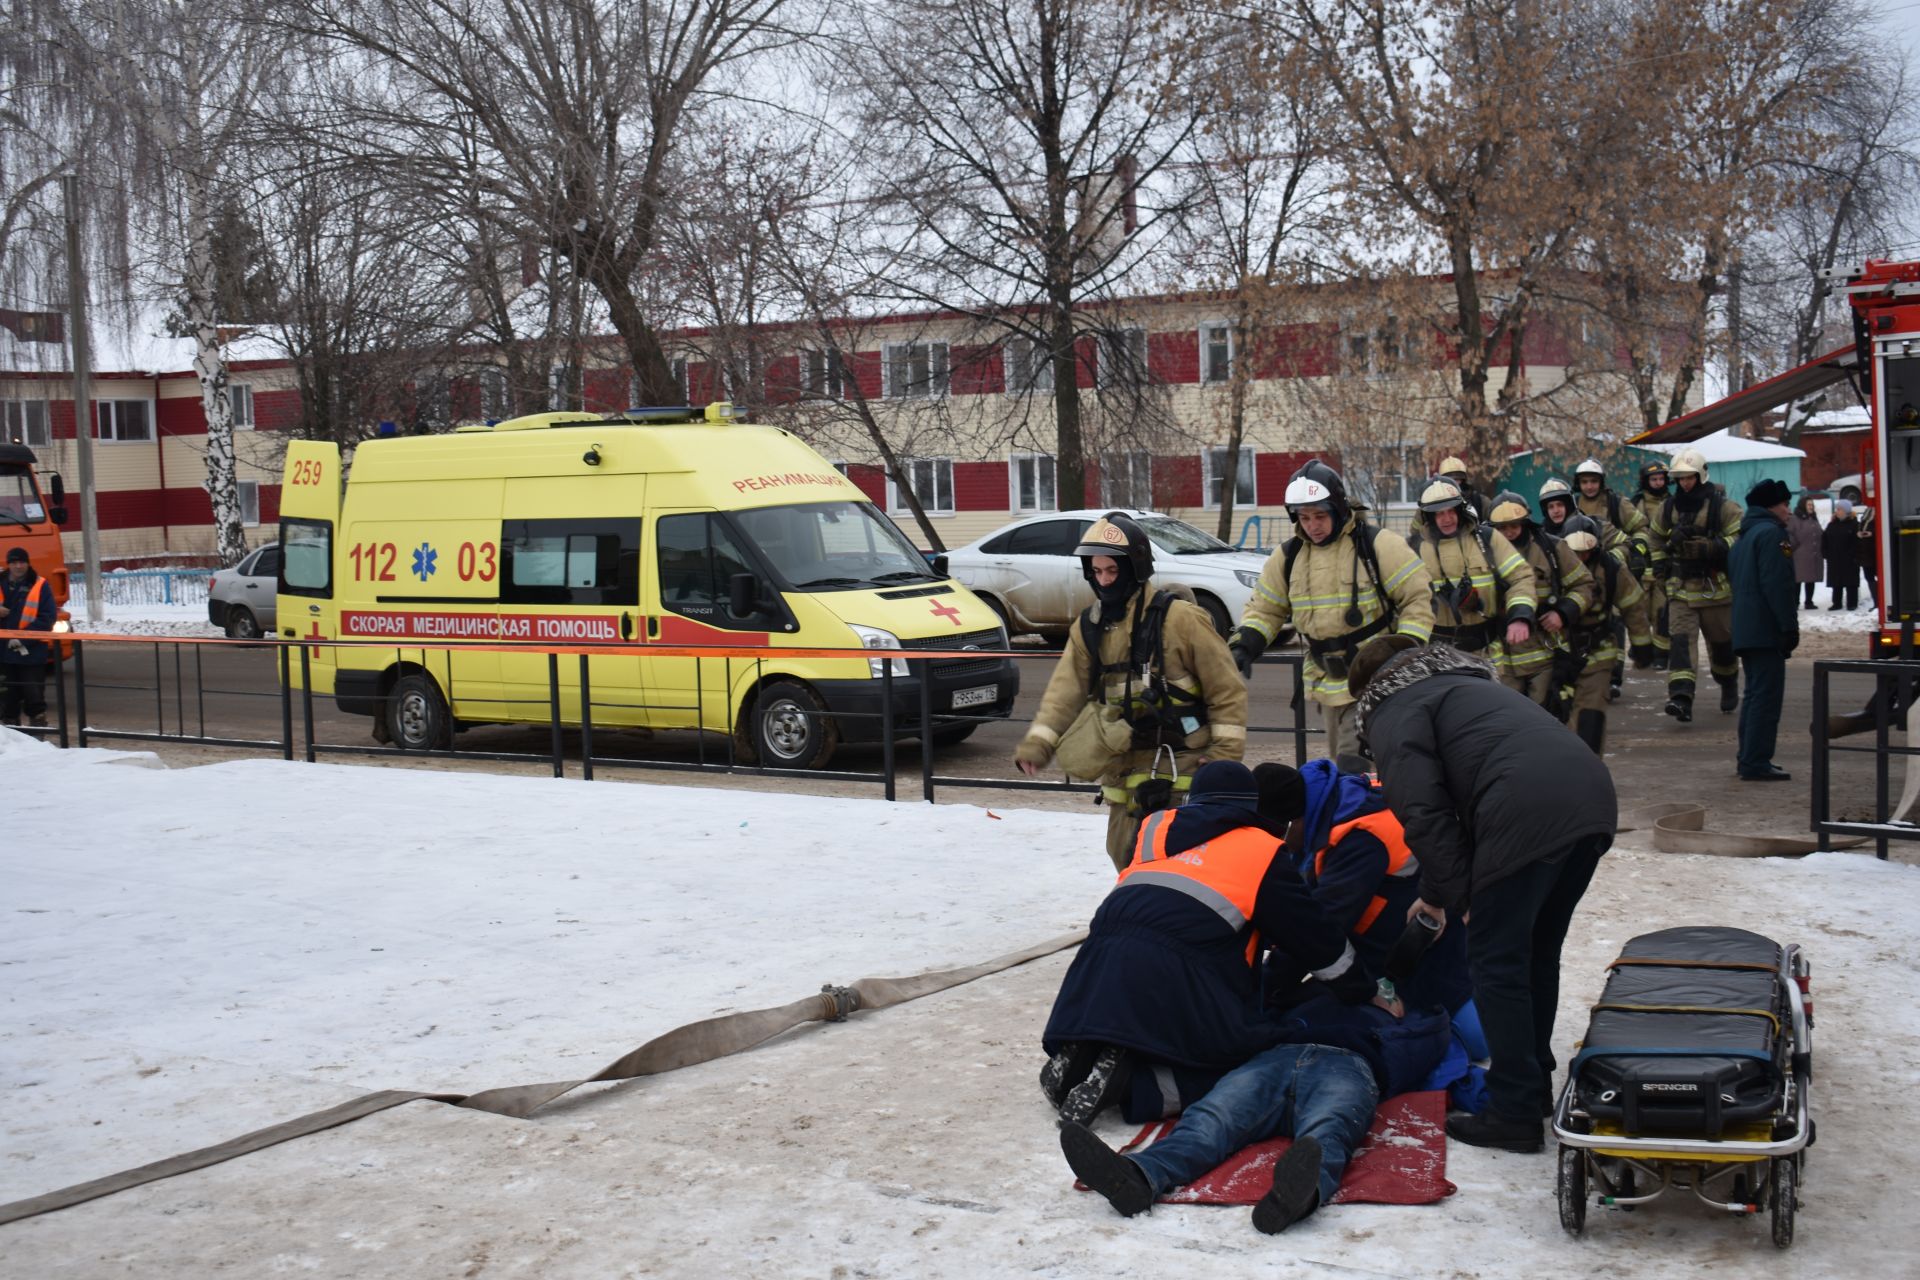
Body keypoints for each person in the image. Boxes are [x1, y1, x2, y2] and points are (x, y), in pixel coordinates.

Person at [1050, 763, 1448, 1234]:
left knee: (1295, 1125)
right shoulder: (1264, 852)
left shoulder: (1157, 829)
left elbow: (1425, 1040)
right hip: (1281, 1052)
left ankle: (1293, 1188)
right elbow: (1317, 938)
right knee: (1217, 1113)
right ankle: (1141, 1167)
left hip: (1332, 1058)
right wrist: (1364, 996)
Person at [1348, 633, 1617, 1152]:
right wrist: (1437, 894)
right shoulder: (1464, 687)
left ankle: (1513, 1112)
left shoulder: (1394, 705)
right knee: (1534, 952)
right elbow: (1460, 802)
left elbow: (1422, 811)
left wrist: (1463, 897)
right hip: (1589, 798)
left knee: (1496, 962)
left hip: (1523, 809)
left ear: (1368, 691)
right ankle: (1531, 1086)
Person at [1013, 514, 1247, 871]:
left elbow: (1226, 689)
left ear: (1135, 568)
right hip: (1123, 763)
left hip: (1182, 761)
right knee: (1124, 854)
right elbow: (1065, 693)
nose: (1104, 581)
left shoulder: (1180, 620)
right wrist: (1038, 744)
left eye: (1112, 571)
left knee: (1180, 862)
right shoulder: (1089, 627)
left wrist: (1224, 755)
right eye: (1097, 572)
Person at [1228, 460, 1433, 759]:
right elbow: (1265, 610)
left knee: (1353, 766)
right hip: (1328, 684)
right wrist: (1245, 644)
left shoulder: (1378, 545)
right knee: (1345, 766)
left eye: (1320, 516)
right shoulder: (1288, 557)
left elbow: (1417, 599)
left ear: (1338, 509)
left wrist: (1405, 651)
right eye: (1305, 517)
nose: (1313, 526)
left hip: (1376, 680)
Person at [1648, 448, 1741, 723]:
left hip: (1715, 589)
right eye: (1680, 479)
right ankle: (1681, 698)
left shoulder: (1722, 506)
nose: (1685, 484)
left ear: (1700, 476)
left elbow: (1739, 534)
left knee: (1722, 645)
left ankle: (1728, 682)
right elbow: (1654, 537)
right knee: (1680, 644)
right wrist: (1660, 565)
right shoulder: (1668, 508)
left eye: (1689, 478)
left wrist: (1714, 547)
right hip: (1681, 590)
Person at [1405, 478, 1536, 663]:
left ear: (1460, 509)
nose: (1447, 519)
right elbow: (1401, 600)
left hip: (1488, 654)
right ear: (1428, 516)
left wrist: (1520, 615)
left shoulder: (1487, 539)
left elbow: (1521, 577)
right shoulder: (1413, 549)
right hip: (1437, 658)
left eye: (1451, 510)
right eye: (1439, 513)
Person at [1485, 490, 1594, 708]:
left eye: (1514, 526)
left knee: (1546, 714)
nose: (1509, 533)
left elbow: (1585, 585)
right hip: (1501, 655)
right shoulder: (1481, 553)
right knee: (1507, 716)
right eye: (1502, 528)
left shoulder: (1552, 548)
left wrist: (1562, 613)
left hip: (1545, 651)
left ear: (1525, 522)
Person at [1556, 515, 1653, 754]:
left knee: (1591, 717)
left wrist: (1642, 647)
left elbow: (1634, 606)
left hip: (1597, 655)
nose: (1580, 559)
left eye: (1585, 553)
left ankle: (1588, 769)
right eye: (1574, 553)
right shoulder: (1552, 566)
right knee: (1556, 715)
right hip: (1558, 655)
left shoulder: (1611, 569)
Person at [1729, 479, 1799, 782]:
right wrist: (1787, 627)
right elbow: (1778, 586)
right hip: (1765, 629)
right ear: (1771, 506)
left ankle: (1749, 757)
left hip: (1746, 628)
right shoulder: (1771, 535)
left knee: (1754, 695)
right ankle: (1756, 761)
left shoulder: (1743, 537)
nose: (1789, 510)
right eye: (1785, 504)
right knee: (1766, 698)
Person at [1573, 459, 1647, 702]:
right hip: (1580, 575)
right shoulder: (1572, 505)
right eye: (1585, 481)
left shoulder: (1617, 504)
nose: (1590, 486)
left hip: (1611, 575)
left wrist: (1619, 557)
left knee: (1614, 623)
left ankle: (1614, 678)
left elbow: (1641, 530)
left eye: (1594, 481)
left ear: (1601, 482)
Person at [1, 546, 56, 728]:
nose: (18, 566)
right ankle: (11, 730)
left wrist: (23, 638)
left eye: (22, 562)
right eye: (14, 562)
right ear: (8, 564)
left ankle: (37, 729)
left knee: (33, 694)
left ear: (28, 563)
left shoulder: (40, 585)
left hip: (30, 651)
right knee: (8, 696)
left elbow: (47, 617)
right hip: (3, 651)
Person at [1629, 461, 1673, 667]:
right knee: (1641, 612)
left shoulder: (1673, 502)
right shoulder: (1636, 503)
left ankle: (1662, 655)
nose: (1658, 483)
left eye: (1661, 479)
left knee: (1662, 612)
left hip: (1664, 567)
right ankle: (1642, 652)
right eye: (1653, 479)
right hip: (1642, 567)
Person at [1823, 500, 1863, 611]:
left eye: (1839, 509)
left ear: (1846, 511)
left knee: (1851, 582)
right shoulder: (1832, 524)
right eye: (1837, 509)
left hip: (1850, 558)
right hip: (1834, 558)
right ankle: (1836, 603)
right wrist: (1825, 552)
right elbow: (1825, 538)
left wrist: (1854, 555)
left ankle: (1852, 603)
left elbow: (1857, 542)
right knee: (1836, 582)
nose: (1837, 511)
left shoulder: (1854, 524)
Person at [1788, 495, 1823, 609]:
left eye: (1812, 505)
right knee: (1797, 580)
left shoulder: (1813, 518)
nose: (1811, 507)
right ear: (1803, 505)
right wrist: (1788, 552)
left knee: (1811, 579)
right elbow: (1788, 535)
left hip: (1813, 555)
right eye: (1809, 504)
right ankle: (1795, 602)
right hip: (1799, 555)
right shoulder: (1794, 519)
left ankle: (1809, 601)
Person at [1436, 455, 1490, 523]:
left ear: (1462, 480)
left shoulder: (1481, 502)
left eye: (1456, 479)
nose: (1453, 483)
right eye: (1449, 480)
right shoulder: (1435, 503)